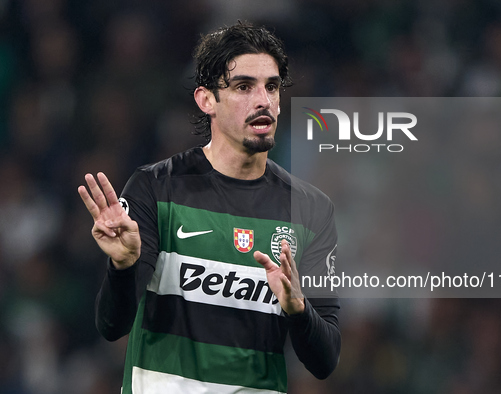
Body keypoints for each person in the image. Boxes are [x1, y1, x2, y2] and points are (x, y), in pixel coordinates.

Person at [78, 22, 340, 394]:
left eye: (272, 86)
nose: (263, 100)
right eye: (243, 87)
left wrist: (300, 311)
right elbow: (111, 326)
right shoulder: (156, 188)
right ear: (207, 100)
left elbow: (325, 360)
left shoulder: (312, 210)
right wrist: (122, 267)